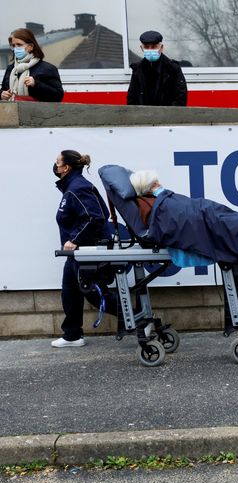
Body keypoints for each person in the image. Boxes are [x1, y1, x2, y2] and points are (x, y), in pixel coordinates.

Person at [52, 151, 113, 348]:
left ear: (66, 168)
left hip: (86, 252)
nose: (55, 165)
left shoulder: (77, 188)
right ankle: (72, 335)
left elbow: (96, 217)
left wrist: (75, 240)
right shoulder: (72, 187)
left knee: (94, 294)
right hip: (77, 254)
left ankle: (140, 320)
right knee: (69, 292)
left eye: (57, 162)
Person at [1, 28, 64, 102]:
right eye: (13, 46)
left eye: (19, 44)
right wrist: (2, 94)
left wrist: (36, 84)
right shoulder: (11, 68)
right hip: (13, 112)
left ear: (30, 46)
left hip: (37, 112)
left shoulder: (47, 68)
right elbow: (3, 90)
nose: (16, 49)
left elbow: (58, 96)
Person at [126, 30, 187, 106]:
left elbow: (180, 98)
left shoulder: (173, 68)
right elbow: (131, 98)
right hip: (143, 116)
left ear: (161, 47)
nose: (150, 50)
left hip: (167, 116)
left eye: (154, 46)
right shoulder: (137, 69)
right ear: (142, 48)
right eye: (146, 47)